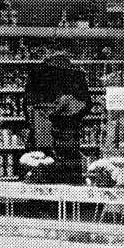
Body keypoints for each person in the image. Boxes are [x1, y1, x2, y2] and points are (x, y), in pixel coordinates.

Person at [23, 48, 93, 184]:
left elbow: (28, 110)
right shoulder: (76, 78)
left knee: (40, 187)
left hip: (41, 146)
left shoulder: (37, 78)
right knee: (70, 187)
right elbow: (86, 107)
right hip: (69, 146)